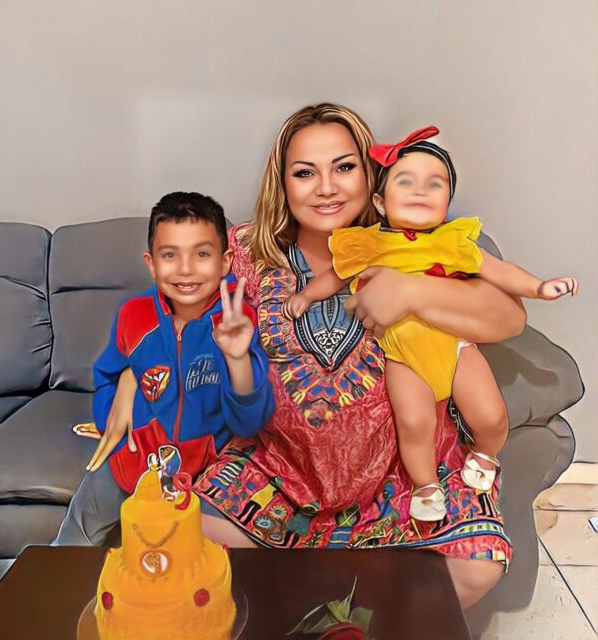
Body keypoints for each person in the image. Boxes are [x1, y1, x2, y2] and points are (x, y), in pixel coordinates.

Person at [106, 104, 527, 608]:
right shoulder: (246, 252)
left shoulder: (416, 242)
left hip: (399, 480)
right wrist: (130, 378)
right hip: (277, 479)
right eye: (305, 173)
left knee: (476, 566)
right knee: (182, 535)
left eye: (344, 167)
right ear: (282, 184)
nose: (326, 188)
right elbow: (169, 311)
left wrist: (413, 292)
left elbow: (509, 317)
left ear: (370, 177)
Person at [283, 126, 578, 522]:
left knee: (491, 415)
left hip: (456, 347)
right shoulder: (368, 244)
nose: (420, 191)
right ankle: (425, 485)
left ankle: (485, 454)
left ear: (447, 200)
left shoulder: (452, 242)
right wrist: (305, 296)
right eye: (406, 182)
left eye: (434, 184)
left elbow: (499, 272)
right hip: (404, 355)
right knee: (414, 422)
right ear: (380, 202)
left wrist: (539, 287)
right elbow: (335, 276)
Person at [53, 191, 274, 544]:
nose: (185, 269)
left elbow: (250, 422)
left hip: (204, 471)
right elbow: (107, 374)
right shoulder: (133, 315)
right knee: (75, 535)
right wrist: (112, 424)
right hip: (135, 458)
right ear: (151, 263)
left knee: (182, 554)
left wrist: (237, 358)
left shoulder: (238, 319)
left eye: (202, 254)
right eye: (170, 255)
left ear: (225, 262)